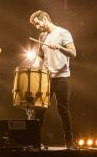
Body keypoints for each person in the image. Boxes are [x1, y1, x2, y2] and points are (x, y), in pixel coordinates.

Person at [29, 10, 77, 148]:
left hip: (62, 78)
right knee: (39, 109)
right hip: (47, 78)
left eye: (37, 24)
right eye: (35, 26)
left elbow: (73, 53)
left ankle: (69, 142)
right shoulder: (42, 36)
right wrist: (34, 65)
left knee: (63, 110)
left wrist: (59, 47)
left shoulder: (63, 33)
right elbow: (40, 55)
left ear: (44, 18)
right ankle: (34, 142)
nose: (37, 27)